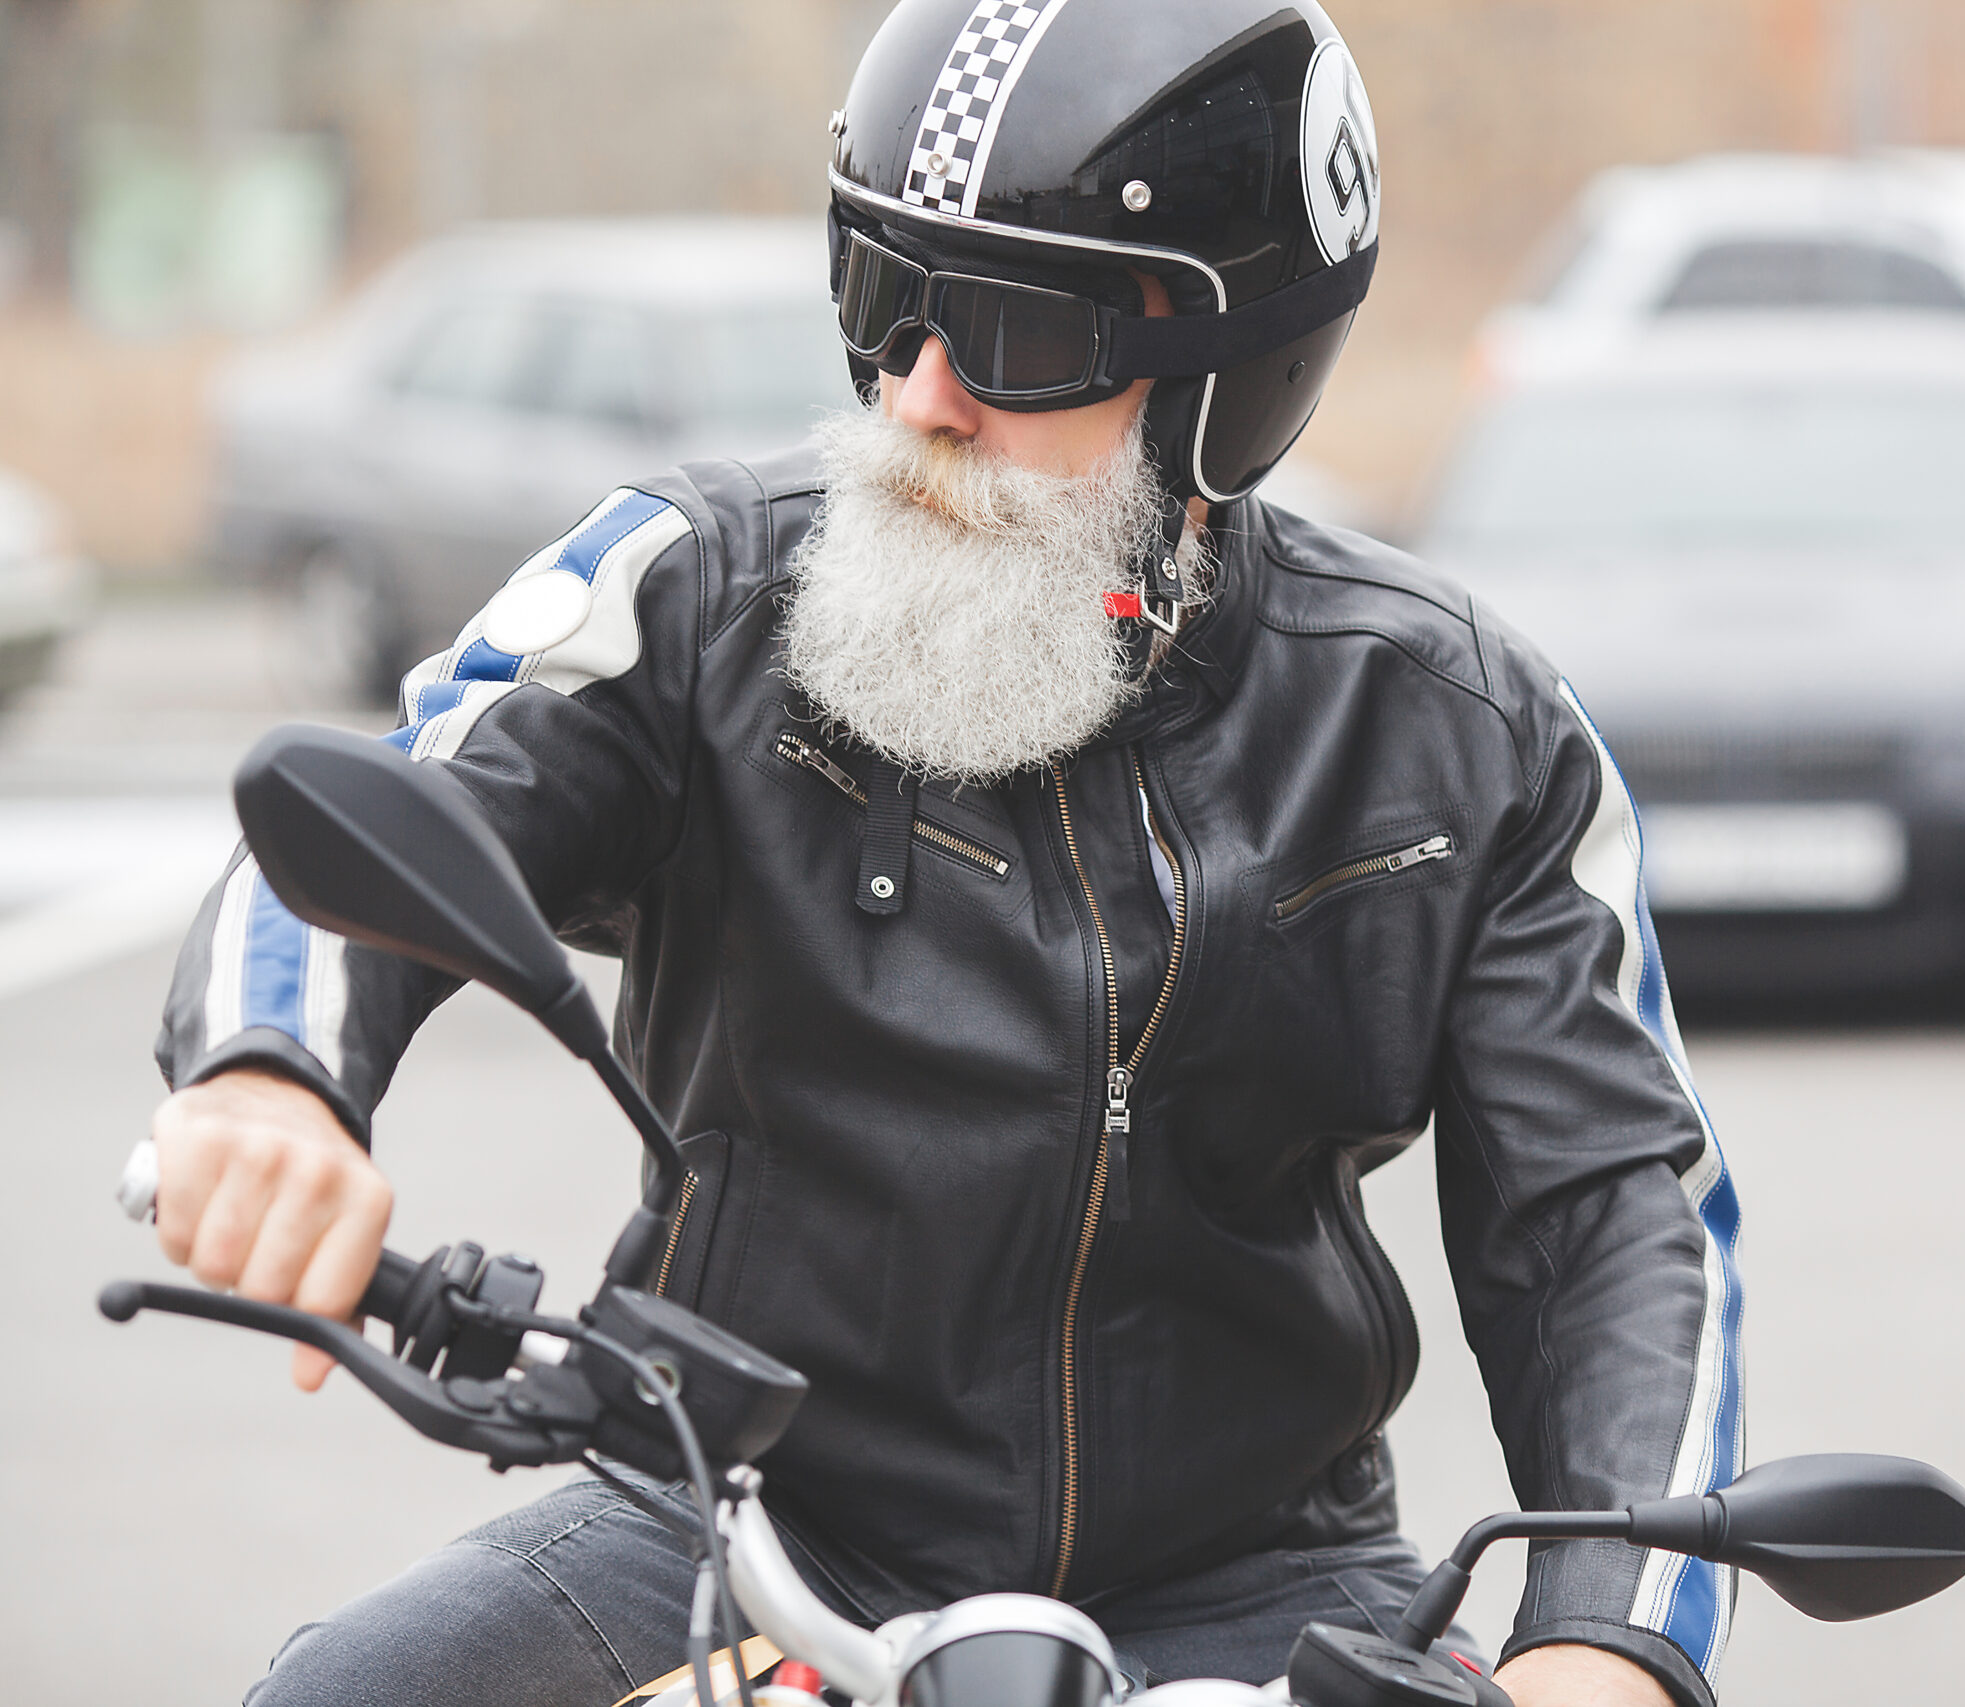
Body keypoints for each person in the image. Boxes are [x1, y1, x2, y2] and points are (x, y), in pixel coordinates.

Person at [147, 3, 1744, 1703]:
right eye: (885, 297)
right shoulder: (697, 596)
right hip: (727, 1517)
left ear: (1229, 374)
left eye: (1007, 328)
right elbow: (409, 802)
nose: (920, 393)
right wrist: (270, 1076)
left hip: (1251, 1587)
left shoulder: (1457, 729)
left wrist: (1610, 1636)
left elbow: (1611, 1212)